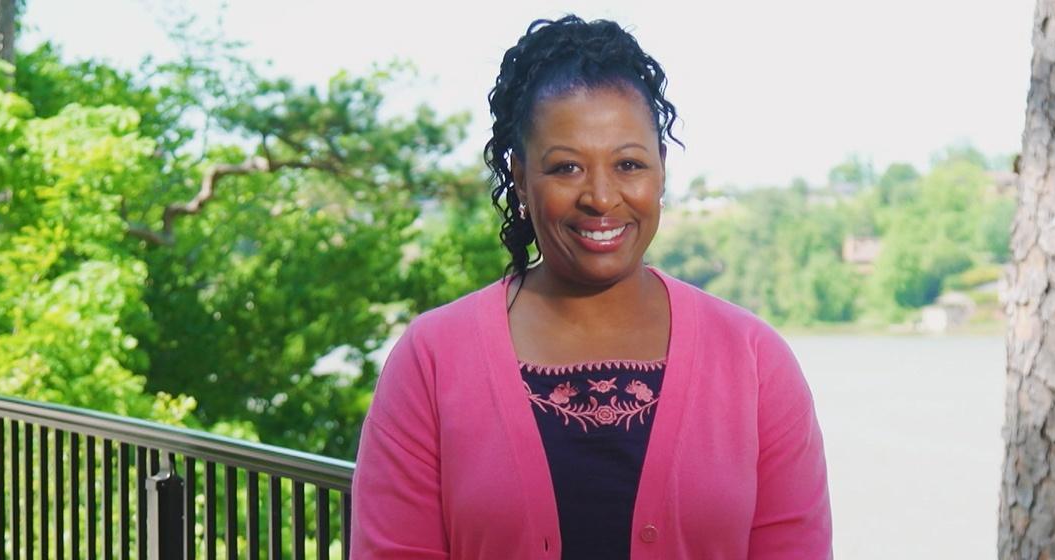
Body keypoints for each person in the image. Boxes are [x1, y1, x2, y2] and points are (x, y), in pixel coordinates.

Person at [350, 15, 831, 559]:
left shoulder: (755, 361)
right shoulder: (431, 360)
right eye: (566, 168)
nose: (601, 197)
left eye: (628, 163)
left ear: (662, 171)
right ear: (521, 178)